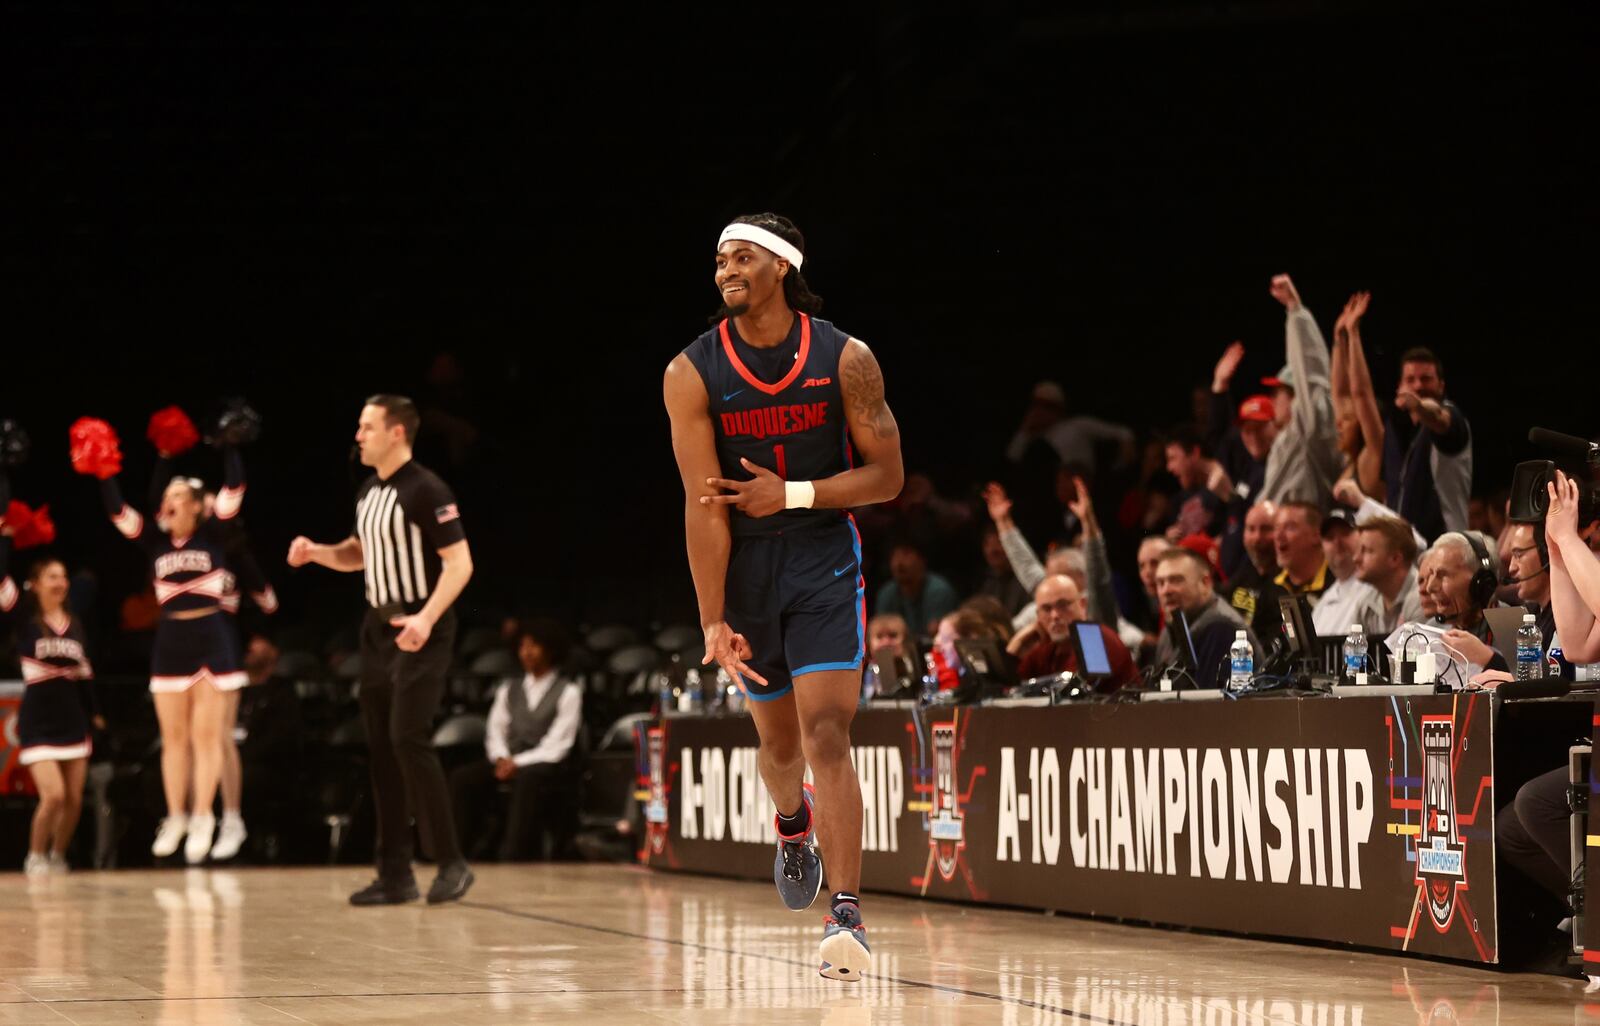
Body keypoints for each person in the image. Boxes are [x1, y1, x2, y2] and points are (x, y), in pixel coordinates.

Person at [664, 213, 902, 981]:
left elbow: (887, 478)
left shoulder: (847, 358)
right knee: (779, 751)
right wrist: (710, 616)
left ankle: (848, 915)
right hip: (745, 570)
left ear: (780, 266)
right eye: (719, 260)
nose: (724, 270)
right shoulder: (691, 371)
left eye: (740, 257)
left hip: (823, 557)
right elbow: (705, 504)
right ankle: (792, 824)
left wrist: (794, 493)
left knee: (828, 733)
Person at [287, 394, 476, 906]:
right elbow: (359, 554)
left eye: (367, 426)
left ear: (397, 433)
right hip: (379, 627)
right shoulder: (370, 491)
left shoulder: (426, 488)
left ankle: (451, 862)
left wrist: (426, 618)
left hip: (423, 622)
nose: (358, 435)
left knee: (408, 737)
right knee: (382, 750)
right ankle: (395, 873)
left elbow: (459, 564)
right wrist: (316, 553)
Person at [76, 415, 248, 864]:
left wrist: (229, 446)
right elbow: (118, 513)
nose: (168, 503)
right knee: (174, 739)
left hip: (212, 636)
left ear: (194, 506)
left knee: (207, 737)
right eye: (166, 497)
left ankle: (205, 816)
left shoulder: (213, 533)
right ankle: (177, 816)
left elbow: (233, 492)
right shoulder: (154, 541)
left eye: (177, 497)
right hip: (171, 639)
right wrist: (104, 472)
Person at [1, 490, 99, 875]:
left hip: (72, 718)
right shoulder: (24, 621)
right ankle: (35, 855)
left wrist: (96, 715)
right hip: (38, 720)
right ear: (36, 584)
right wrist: (6, 535)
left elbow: (86, 677)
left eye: (63, 577)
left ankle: (58, 855)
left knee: (74, 798)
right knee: (53, 796)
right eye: (53, 577)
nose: (61, 582)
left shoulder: (76, 626)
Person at [450, 618, 583, 862]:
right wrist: (501, 758)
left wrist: (518, 763)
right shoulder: (508, 690)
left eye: (534, 646)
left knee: (529, 779)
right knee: (463, 779)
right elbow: (496, 731)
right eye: (523, 646)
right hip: (509, 759)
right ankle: (457, 852)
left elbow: (558, 744)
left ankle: (512, 854)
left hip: (544, 763)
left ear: (550, 649)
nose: (527, 653)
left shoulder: (568, 692)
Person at [1258, 274, 1343, 508]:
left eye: (1277, 394)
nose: (1271, 400)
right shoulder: (1284, 439)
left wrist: (1295, 311)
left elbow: (1312, 376)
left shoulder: (1310, 428)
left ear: (1297, 396)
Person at [1383, 347, 1472, 541]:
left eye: (1426, 379)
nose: (1418, 386)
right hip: (1404, 552)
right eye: (1410, 379)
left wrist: (1419, 406)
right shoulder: (1396, 429)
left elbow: (1439, 417)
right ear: (1399, 386)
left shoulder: (1451, 417)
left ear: (1441, 385)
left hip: (1445, 545)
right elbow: (1359, 395)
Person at [1152, 547, 1263, 688]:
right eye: (1160, 583)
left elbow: (1209, 705)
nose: (1166, 590)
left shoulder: (1221, 628)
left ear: (1205, 583)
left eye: (1176, 580)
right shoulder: (1170, 629)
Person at [1006, 575, 1137, 689]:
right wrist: (1016, 644)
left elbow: (1074, 691)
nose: (1055, 615)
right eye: (1046, 609)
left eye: (1063, 605)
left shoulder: (1096, 639)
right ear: (1038, 616)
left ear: (1082, 605)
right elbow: (1010, 686)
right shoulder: (1049, 647)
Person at [1329, 291, 1385, 501]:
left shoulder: (1372, 454)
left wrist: (1353, 334)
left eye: (1348, 420)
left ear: (1363, 424)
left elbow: (1361, 394)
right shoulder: (1352, 460)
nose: (1339, 424)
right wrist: (1338, 338)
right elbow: (1340, 392)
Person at [1354, 516, 1425, 635]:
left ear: (1395, 558)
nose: (1356, 558)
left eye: (1367, 551)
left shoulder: (1423, 599)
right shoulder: (1365, 604)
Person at [873, 541, 957, 636]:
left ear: (922, 559)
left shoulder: (939, 590)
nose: (899, 563)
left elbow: (936, 633)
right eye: (894, 556)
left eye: (906, 554)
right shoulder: (886, 593)